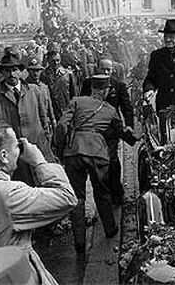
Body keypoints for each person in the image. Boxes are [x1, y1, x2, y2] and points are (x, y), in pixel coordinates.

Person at [53, 75, 137, 254]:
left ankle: (80, 243)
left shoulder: (76, 101)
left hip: (74, 152)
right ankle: (110, 229)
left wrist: (60, 150)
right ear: (106, 90)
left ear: (92, 88)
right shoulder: (110, 109)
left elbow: (61, 126)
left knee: (77, 197)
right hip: (98, 153)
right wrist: (134, 138)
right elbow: (120, 131)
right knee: (102, 192)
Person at [0, 120, 77, 284]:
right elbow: (66, 197)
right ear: (3, 156)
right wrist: (39, 162)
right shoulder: (8, 195)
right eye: (16, 146)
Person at [81, 57, 134, 205]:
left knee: (112, 161)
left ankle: (117, 192)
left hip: (111, 131)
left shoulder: (118, 86)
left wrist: (129, 125)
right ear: (97, 68)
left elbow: (126, 107)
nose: (105, 72)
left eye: (108, 69)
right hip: (92, 130)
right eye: (102, 68)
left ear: (113, 70)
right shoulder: (88, 83)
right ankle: (103, 193)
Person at [0, 53, 54, 186]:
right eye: (7, 70)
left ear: (21, 71)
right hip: (14, 152)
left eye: (15, 70)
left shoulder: (34, 91)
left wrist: (46, 137)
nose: (12, 74)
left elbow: (43, 117)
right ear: (2, 73)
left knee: (44, 182)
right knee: (23, 187)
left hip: (37, 145)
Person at [41, 50, 79, 121]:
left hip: (65, 109)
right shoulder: (43, 75)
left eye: (58, 60)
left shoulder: (68, 74)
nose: (56, 63)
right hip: (50, 110)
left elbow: (74, 94)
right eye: (53, 61)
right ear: (48, 61)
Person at [25, 56, 56, 139]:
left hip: (46, 125)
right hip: (33, 126)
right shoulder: (25, 88)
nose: (35, 73)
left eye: (38, 70)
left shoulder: (44, 87)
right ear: (28, 71)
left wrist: (53, 123)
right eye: (33, 70)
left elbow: (50, 108)